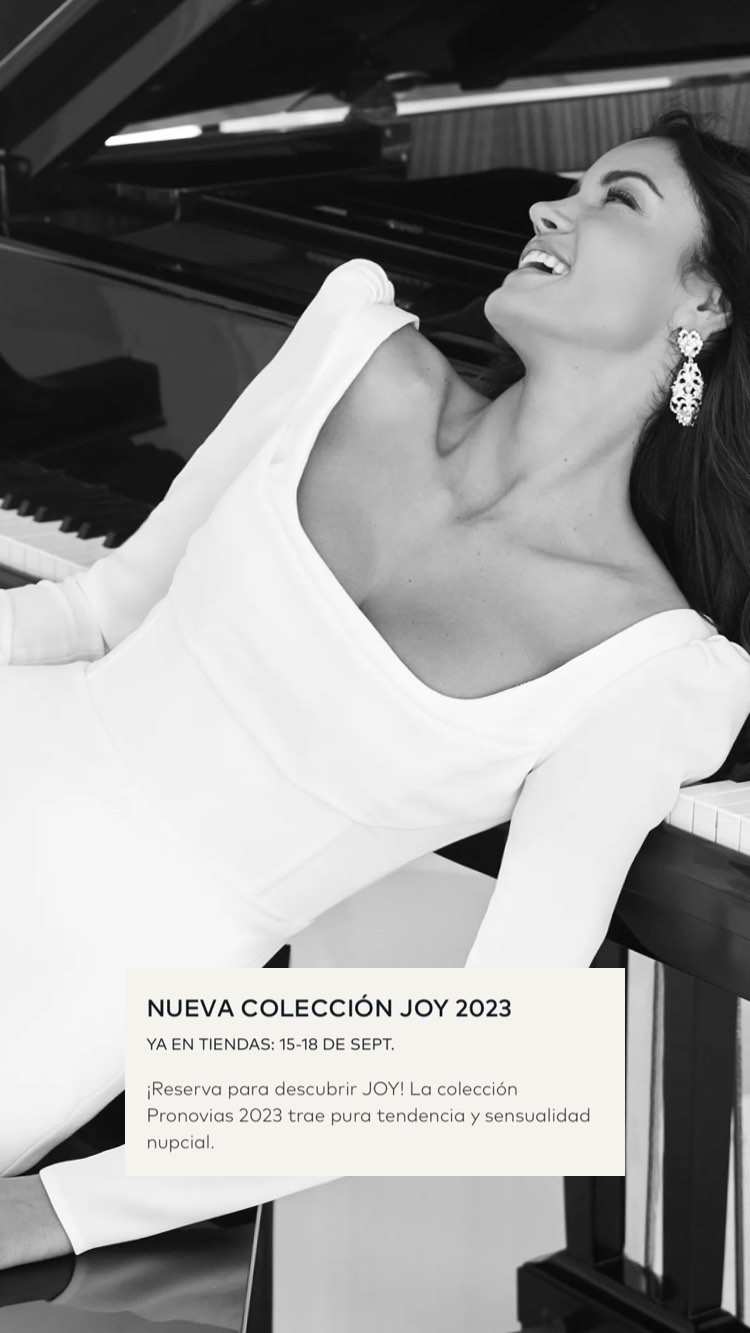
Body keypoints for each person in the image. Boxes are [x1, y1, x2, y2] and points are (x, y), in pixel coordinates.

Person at [3, 107, 750, 1270]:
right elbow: (99, 613)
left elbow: (501, 1041)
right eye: (572, 185)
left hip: (78, 981)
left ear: (702, 302)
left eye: (618, 200)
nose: (551, 207)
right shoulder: (358, 349)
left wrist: (69, 1204)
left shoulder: (653, 667)